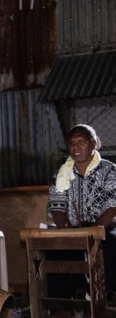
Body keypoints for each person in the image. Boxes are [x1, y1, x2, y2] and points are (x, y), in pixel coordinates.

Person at [47, 124, 116, 304]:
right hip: (74, 229)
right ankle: (62, 306)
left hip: (105, 228)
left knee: (110, 246)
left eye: (81, 142)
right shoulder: (61, 174)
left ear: (93, 144)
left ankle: (100, 300)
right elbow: (57, 207)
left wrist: (94, 233)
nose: (75, 147)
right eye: (71, 143)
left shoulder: (109, 170)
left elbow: (112, 206)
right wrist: (66, 230)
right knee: (56, 249)